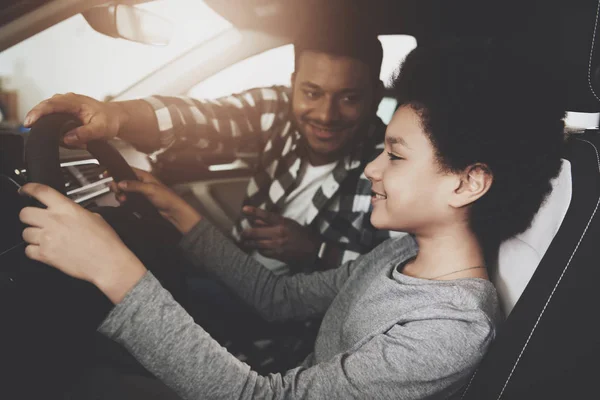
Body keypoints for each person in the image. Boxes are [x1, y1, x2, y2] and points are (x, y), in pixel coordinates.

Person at [18, 40, 565, 399]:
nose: (373, 167)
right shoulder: (404, 252)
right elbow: (278, 300)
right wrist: (178, 213)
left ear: (467, 182)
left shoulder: (449, 330)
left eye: (395, 156)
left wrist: (112, 267)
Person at [24, 28, 396, 276]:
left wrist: (316, 252)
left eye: (350, 98)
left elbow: (398, 276)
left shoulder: (391, 167)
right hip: (231, 276)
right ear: (293, 85)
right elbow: (199, 118)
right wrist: (117, 116)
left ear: (376, 96)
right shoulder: (276, 110)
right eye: (312, 93)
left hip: (299, 326)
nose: (326, 116)